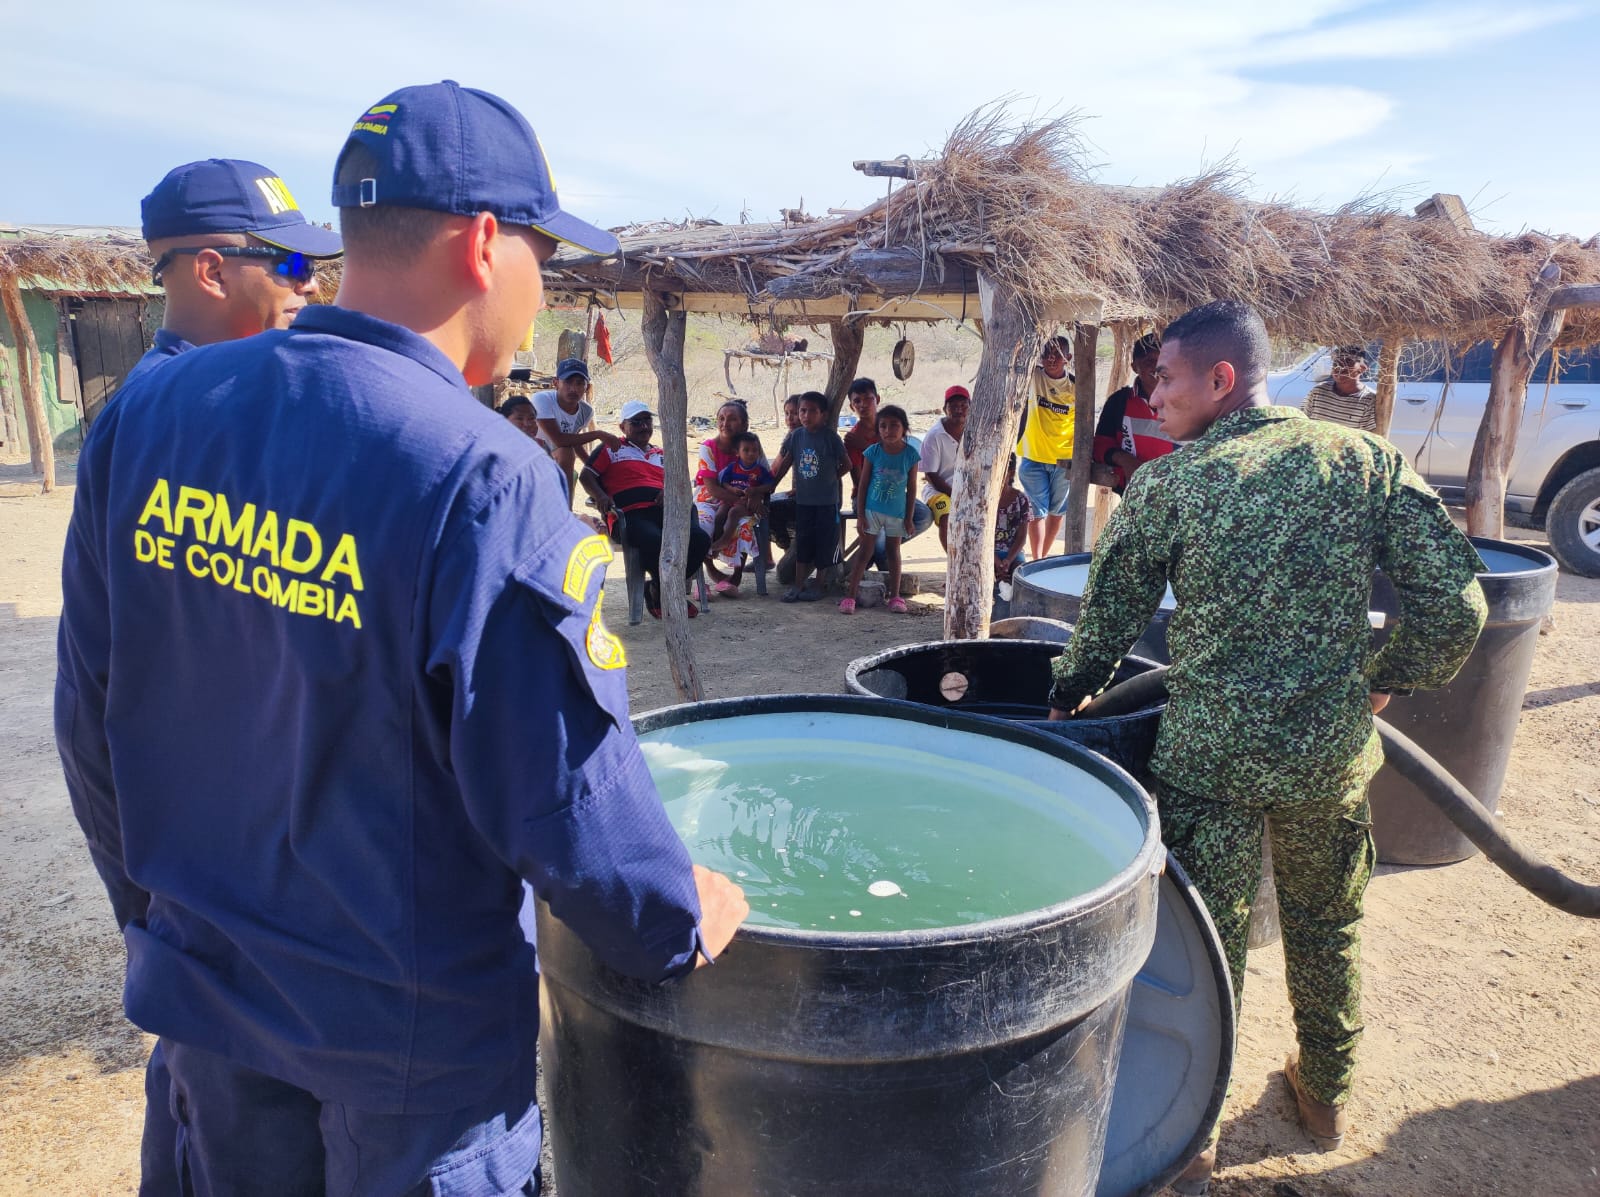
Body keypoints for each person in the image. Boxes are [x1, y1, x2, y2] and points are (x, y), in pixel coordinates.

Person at [58, 80, 748, 1197]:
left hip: (213, 1017)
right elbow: (562, 794)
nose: (542, 289)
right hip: (409, 1068)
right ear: (484, 244)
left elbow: (88, 715)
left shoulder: (153, 415)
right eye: (543, 255)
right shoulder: (482, 476)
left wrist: (163, 928)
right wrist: (674, 915)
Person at [1044, 300, 1486, 1194]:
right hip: (1329, 757)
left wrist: (1064, 696)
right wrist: (1383, 676)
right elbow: (1460, 605)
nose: (1151, 393)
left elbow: (1103, 630)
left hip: (1212, 765)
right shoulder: (1359, 459)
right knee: (1329, 922)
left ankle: (1192, 1131)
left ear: (1220, 379)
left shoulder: (1170, 485)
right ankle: (1325, 1093)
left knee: (1209, 949)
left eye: (1164, 377)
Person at [117, 156, 344, 1196]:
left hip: (233, 916)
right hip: (228, 912)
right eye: (290, 261)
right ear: (210, 269)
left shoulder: (238, 402)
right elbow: (95, 701)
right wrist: (150, 897)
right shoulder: (161, 414)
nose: (310, 282)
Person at [125, 158, 343, 389]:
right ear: (213, 274)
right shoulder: (197, 400)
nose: (311, 285)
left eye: (309, 265)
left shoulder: (215, 382)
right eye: (294, 264)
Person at [584, 400, 712, 619]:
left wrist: (669, 490)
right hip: (630, 515)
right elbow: (587, 476)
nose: (644, 426)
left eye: (647, 421)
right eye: (636, 422)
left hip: (665, 513)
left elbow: (680, 482)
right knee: (653, 539)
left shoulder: (662, 454)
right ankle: (667, 594)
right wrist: (601, 496)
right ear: (622, 427)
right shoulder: (612, 448)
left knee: (699, 538)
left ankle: (657, 588)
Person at [839, 377, 933, 568]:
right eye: (857, 401)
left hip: (894, 490)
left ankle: (877, 550)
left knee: (923, 515)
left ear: (878, 399)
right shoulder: (852, 438)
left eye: (868, 399)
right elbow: (859, 479)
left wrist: (865, 446)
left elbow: (902, 467)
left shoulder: (891, 426)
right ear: (851, 407)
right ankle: (878, 555)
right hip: (867, 495)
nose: (863, 405)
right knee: (879, 528)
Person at [840, 405, 919, 614]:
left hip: (897, 512)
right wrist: (861, 516)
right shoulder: (873, 452)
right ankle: (850, 597)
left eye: (894, 425)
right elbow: (863, 485)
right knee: (865, 552)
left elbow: (911, 488)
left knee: (894, 552)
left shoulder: (910, 455)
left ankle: (895, 597)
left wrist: (909, 518)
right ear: (878, 430)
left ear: (904, 428)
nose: (888, 430)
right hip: (872, 511)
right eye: (883, 426)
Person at [771, 390, 848, 602]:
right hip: (804, 502)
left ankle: (819, 584)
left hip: (826, 502)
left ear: (823, 414)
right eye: (802, 411)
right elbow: (785, 464)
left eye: (812, 411)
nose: (805, 415)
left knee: (824, 542)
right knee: (803, 541)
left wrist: (828, 479)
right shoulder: (796, 436)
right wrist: (771, 486)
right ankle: (798, 585)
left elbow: (846, 464)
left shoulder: (830, 438)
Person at [694, 399, 767, 591]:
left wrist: (757, 497)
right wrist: (741, 500)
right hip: (709, 498)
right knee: (703, 523)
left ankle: (736, 575)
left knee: (743, 525)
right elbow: (712, 488)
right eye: (721, 418)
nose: (725, 423)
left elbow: (765, 477)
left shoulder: (751, 446)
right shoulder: (708, 447)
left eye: (732, 419)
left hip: (743, 498)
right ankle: (707, 570)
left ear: (744, 424)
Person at [1016, 334, 1077, 559]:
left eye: (1057, 354)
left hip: (1064, 459)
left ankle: (1042, 557)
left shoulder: (1075, 387)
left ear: (1067, 358)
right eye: (1047, 354)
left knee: (1057, 511)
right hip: (1034, 456)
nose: (1051, 359)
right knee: (1036, 511)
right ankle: (1037, 559)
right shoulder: (1033, 378)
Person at [1092, 332, 1175, 493]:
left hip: (1177, 495)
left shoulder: (1189, 402)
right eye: (1149, 361)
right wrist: (1124, 460)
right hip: (1134, 492)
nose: (1157, 366)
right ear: (1135, 367)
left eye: (1162, 360)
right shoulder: (1119, 402)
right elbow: (1099, 446)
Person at [532, 357, 620, 507]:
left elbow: (574, 440)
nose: (573, 388)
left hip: (554, 455)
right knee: (566, 452)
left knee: (568, 453)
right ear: (556, 383)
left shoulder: (586, 411)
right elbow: (559, 440)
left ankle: (566, 509)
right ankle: (565, 509)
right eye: (568, 382)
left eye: (580, 383)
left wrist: (591, 467)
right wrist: (599, 434)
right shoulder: (542, 400)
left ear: (587, 387)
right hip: (532, 452)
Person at [710, 432, 776, 568]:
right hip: (731, 498)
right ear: (737, 452)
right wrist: (732, 489)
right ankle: (716, 544)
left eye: (754, 450)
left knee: (734, 513)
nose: (751, 453)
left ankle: (725, 540)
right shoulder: (732, 467)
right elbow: (724, 483)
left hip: (748, 504)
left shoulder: (760, 471)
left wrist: (756, 490)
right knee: (720, 515)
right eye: (746, 450)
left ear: (759, 452)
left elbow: (770, 485)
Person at [918, 384, 969, 551]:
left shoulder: (975, 430)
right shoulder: (934, 436)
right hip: (938, 491)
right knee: (947, 516)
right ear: (945, 409)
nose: (958, 410)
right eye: (953, 406)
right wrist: (954, 495)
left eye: (963, 405)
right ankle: (953, 562)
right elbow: (931, 475)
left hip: (966, 488)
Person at [1303, 345, 1380, 432]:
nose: (1340, 368)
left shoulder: (1368, 400)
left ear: (1361, 369)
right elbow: (1303, 422)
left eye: (1348, 362)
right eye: (1336, 363)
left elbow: (1367, 436)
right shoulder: (1318, 392)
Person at [766, 394, 804, 553]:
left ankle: (788, 549)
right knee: (762, 504)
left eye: (795, 413)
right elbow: (777, 467)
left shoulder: (807, 436)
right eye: (787, 414)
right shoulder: (791, 436)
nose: (790, 418)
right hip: (798, 494)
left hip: (811, 497)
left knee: (768, 509)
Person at [994, 455, 1032, 584]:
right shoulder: (983, 502)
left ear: (1011, 473)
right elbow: (979, 538)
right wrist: (996, 561)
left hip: (1013, 554)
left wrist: (1008, 561)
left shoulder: (1021, 500)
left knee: (1020, 577)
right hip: (987, 553)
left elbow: (1022, 537)